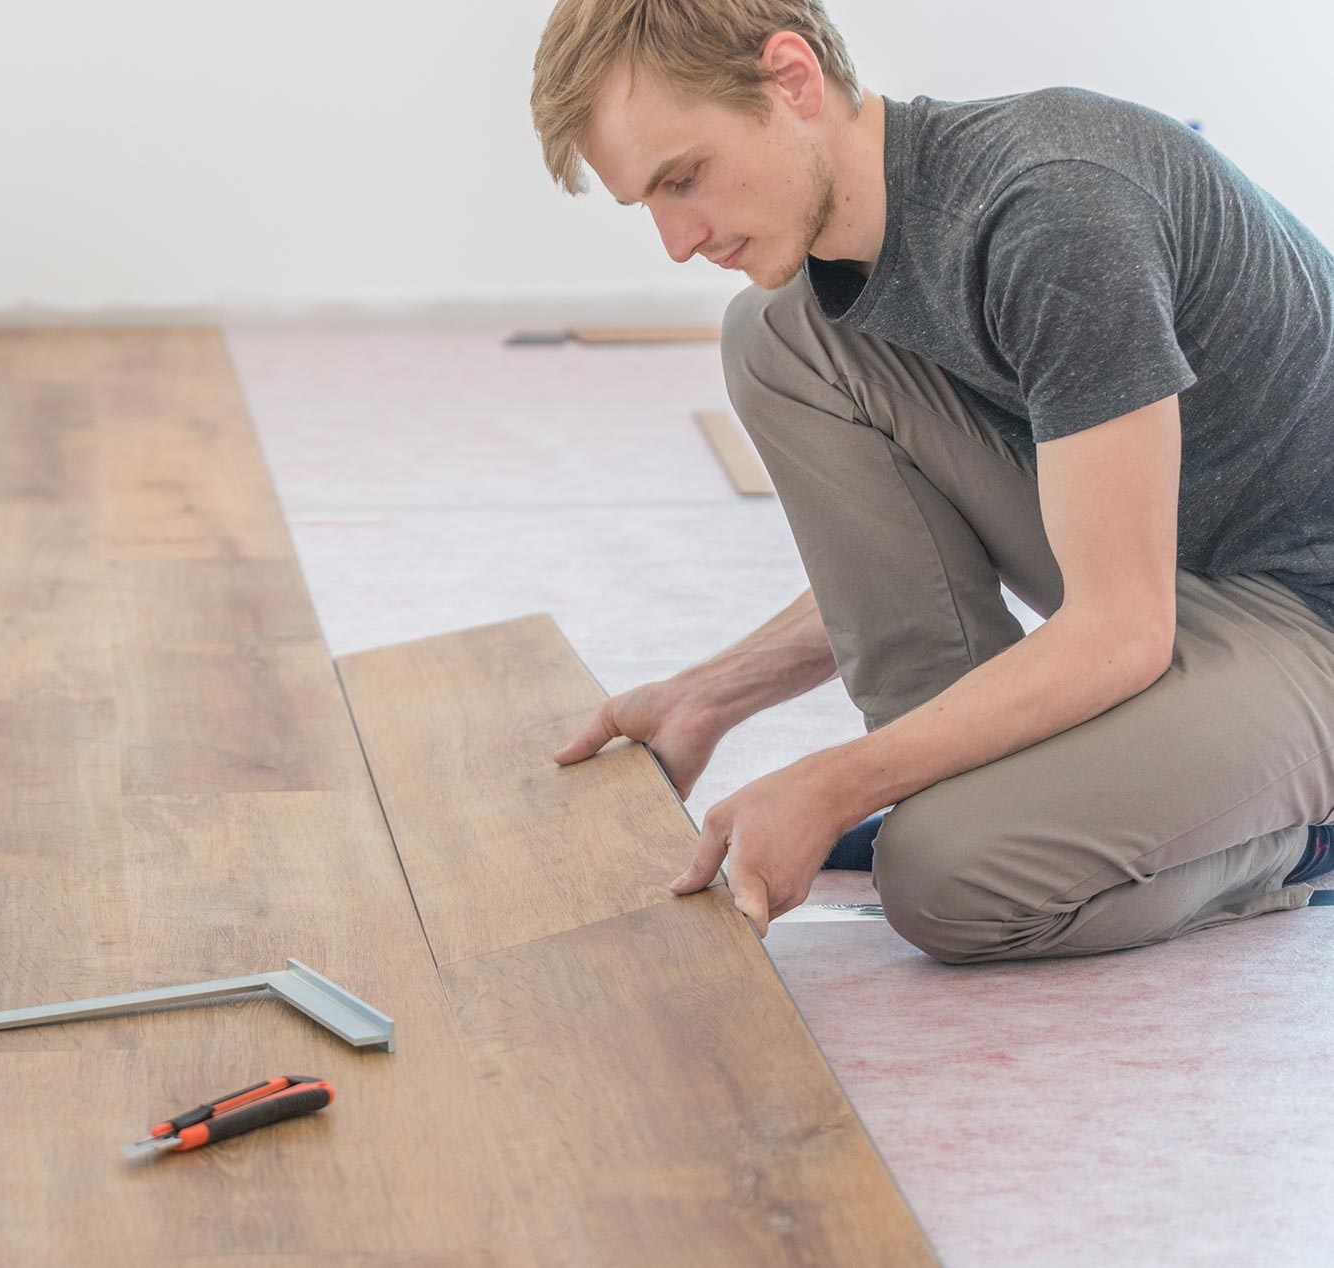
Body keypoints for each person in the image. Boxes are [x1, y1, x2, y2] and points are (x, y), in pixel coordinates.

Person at [531, 0, 1334, 962]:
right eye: (648, 204)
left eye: (685, 178)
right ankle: (967, 781)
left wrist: (834, 783)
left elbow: (1121, 627)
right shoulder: (883, 243)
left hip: (1303, 613)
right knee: (777, 334)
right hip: (1167, 564)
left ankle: (1283, 836)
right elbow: (916, 541)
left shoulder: (1052, 214)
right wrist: (714, 693)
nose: (676, 238)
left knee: (947, 879)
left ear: (792, 79)